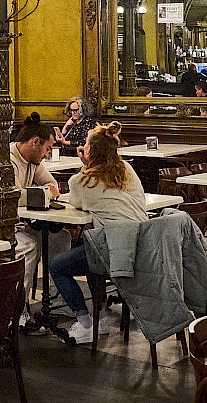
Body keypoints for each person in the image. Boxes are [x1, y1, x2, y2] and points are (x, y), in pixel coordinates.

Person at [48, 121, 148, 343]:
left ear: (91, 150)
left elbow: (77, 201)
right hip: (143, 246)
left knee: (57, 266)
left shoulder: (82, 181)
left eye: (86, 144)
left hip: (114, 251)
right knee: (91, 250)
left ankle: (85, 323)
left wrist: (84, 166)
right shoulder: (127, 170)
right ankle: (99, 316)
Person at [12, 113, 69, 326]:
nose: (47, 154)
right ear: (35, 142)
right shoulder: (9, 158)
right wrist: (42, 192)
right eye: (47, 148)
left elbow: (52, 185)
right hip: (7, 225)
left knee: (61, 238)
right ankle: (18, 308)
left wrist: (41, 192)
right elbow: (16, 196)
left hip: (26, 221)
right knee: (29, 246)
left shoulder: (34, 160)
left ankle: (57, 298)